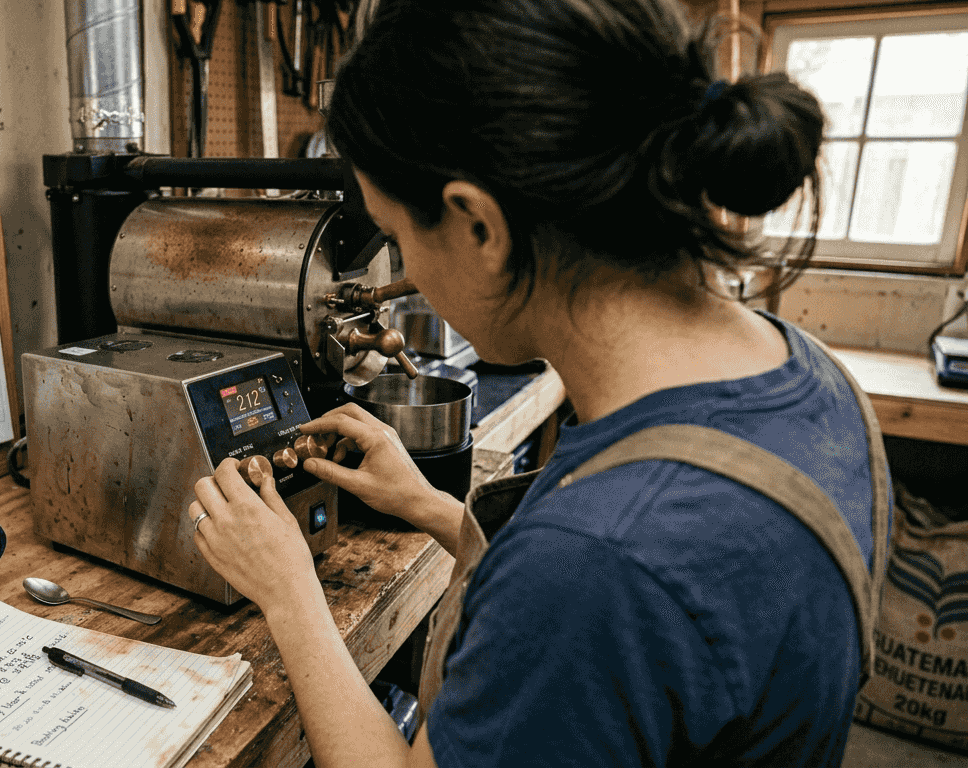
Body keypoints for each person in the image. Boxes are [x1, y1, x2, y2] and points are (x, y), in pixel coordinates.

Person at [188, 0, 890, 765]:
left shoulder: (593, 566)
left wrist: (290, 593)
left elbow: (601, 586)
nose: (406, 276)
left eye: (396, 237)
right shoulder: (813, 377)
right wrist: (433, 508)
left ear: (480, 226)